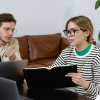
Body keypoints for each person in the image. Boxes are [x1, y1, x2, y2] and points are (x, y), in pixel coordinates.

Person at [49, 16, 100, 100]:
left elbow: (99, 92)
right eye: (68, 31)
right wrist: (34, 77)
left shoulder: (97, 55)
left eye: (73, 31)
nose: (69, 35)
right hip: (69, 95)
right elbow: (51, 71)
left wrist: (84, 83)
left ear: (86, 33)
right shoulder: (66, 52)